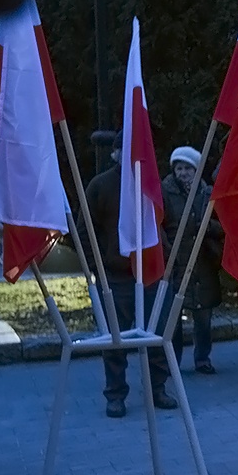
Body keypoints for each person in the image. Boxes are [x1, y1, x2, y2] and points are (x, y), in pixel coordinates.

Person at [77, 131, 178, 418]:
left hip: (152, 275)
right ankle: (116, 394)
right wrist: (99, 266)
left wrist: (167, 256)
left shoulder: (152, 184)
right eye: (124, 149)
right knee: (115, 338)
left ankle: (158, 389)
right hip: (116, 277)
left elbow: (169, 221)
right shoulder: (100, 185)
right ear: (114, 153)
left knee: (157, 334)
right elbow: (85, 231)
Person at [162, 145, 223, 373]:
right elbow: (159, 225)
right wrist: (168, 250)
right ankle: (172, 361)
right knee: (173, 318)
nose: (183, 173)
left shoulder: (207, 193)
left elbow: (222, 225)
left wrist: (208, 227)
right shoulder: (165, 192)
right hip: (176, 262)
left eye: (188, 168)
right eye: (179, 168)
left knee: (203, 315)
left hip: (203, 262)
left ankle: (202, 358)